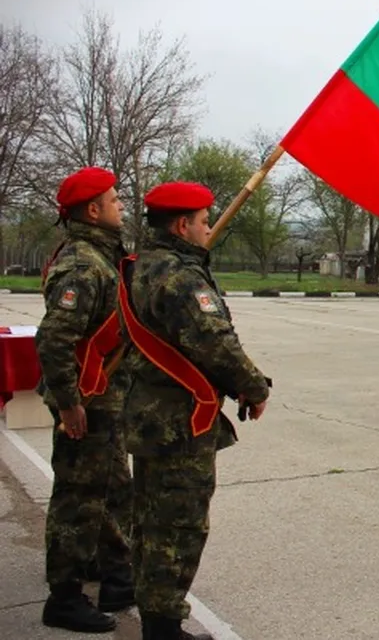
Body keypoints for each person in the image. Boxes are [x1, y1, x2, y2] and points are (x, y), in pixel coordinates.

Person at [119, 182, 270, 640]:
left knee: (150, 522)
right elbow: (215, 343)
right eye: (204, 221)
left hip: (150, 414)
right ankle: (164, 628)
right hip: (178, 423)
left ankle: (156, 620)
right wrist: (253, 386)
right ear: (182, 225)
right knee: (179, 527)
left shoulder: (142, 265)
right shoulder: (180, 278)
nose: (208, 229)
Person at [35, 167, 134, 633]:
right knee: (77, 499)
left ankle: (115, 577)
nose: (121, 206)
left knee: (114, 490)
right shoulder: (83, 265)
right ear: (93, 211)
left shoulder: (103, 256)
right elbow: (55, 339)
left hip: (103, 398)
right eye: (114, 200)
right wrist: (70, 404)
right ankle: (64, 597)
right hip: (85, 399)